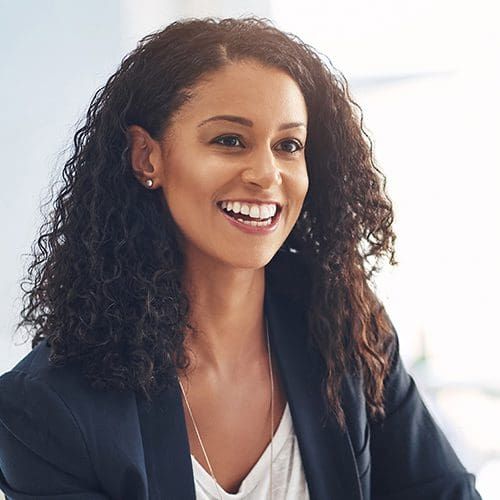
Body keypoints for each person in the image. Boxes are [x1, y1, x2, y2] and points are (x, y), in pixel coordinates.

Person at [0, 16, 481, 500]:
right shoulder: (44, 409)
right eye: (229, 140)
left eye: (288, 145)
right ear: (147, 156)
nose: (267, 174)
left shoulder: (345, 330)